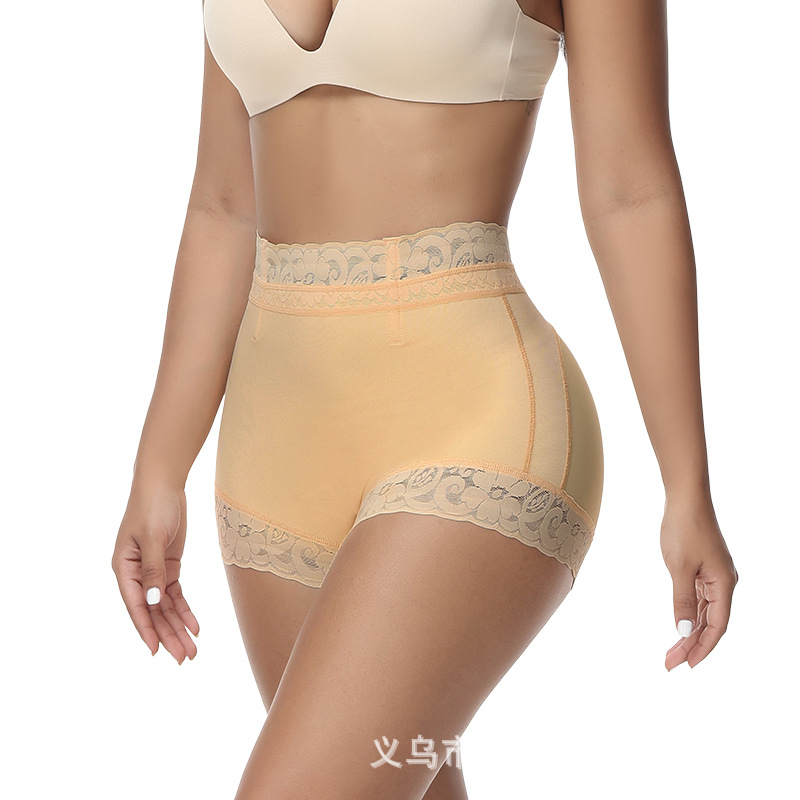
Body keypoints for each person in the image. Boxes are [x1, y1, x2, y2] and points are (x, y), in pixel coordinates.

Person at [111, 0, 739, 797]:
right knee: (394, 771)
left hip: (473, 421)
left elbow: (630, 192)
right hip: (273, 450)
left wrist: (686, 486)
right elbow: (224, 206)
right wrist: (159, 467)